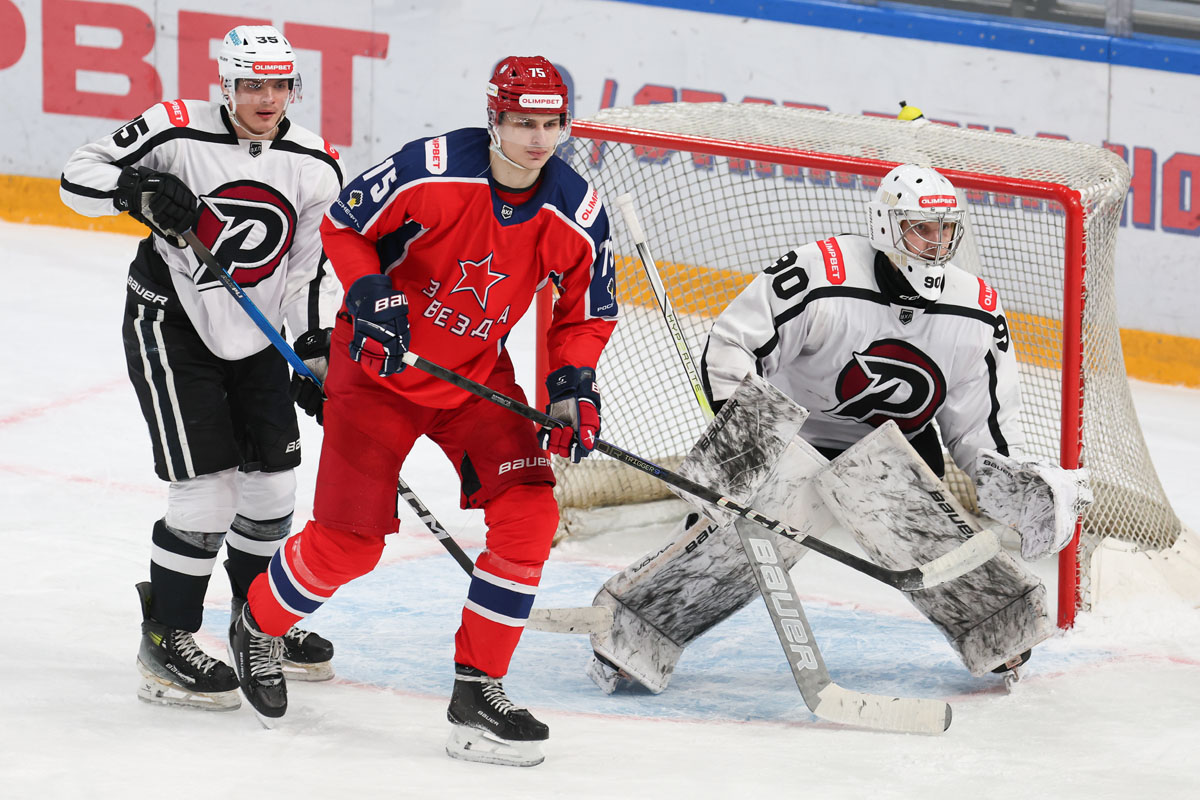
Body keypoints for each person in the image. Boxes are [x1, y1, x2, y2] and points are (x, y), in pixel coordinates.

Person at [227, 56, 618, 766]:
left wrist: (572, 386)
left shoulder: (576, 209)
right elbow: (346, 223)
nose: (538, 139)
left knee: (530, 515)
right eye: (522, 123)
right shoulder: (431, 168)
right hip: (377, 371)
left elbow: (587, 310)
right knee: (349, 545)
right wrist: (369, 288)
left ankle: (478, 689)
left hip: (475, 378)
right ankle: (258, 623)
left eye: (552, 124)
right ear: (493, 118)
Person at [585, 163, 1092, 694]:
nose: (936, 243)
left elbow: (978, 429)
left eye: (946, 230)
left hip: (895, 444)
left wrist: (1013, 480)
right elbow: (734, 343)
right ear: (886, 227)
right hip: (795, 436)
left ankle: (997, 624)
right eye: (921, 228)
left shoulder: (977, 312)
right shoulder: (819, 272)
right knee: (740, 542)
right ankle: (636, 628)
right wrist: (746, 438)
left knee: (926, 533)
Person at [60, 25, 343, 711]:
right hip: (172, 324)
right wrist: (138, 187)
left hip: (257, 336)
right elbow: (75, 178)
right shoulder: (175, 127)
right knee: (207, 492)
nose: (267, 98)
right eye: (252, 85)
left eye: (280, 85)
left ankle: (258, 623)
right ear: (227, 84)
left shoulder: (314, 162)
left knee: (273, 491)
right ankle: (167, 638)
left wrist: (316, 353)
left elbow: (309, 272)